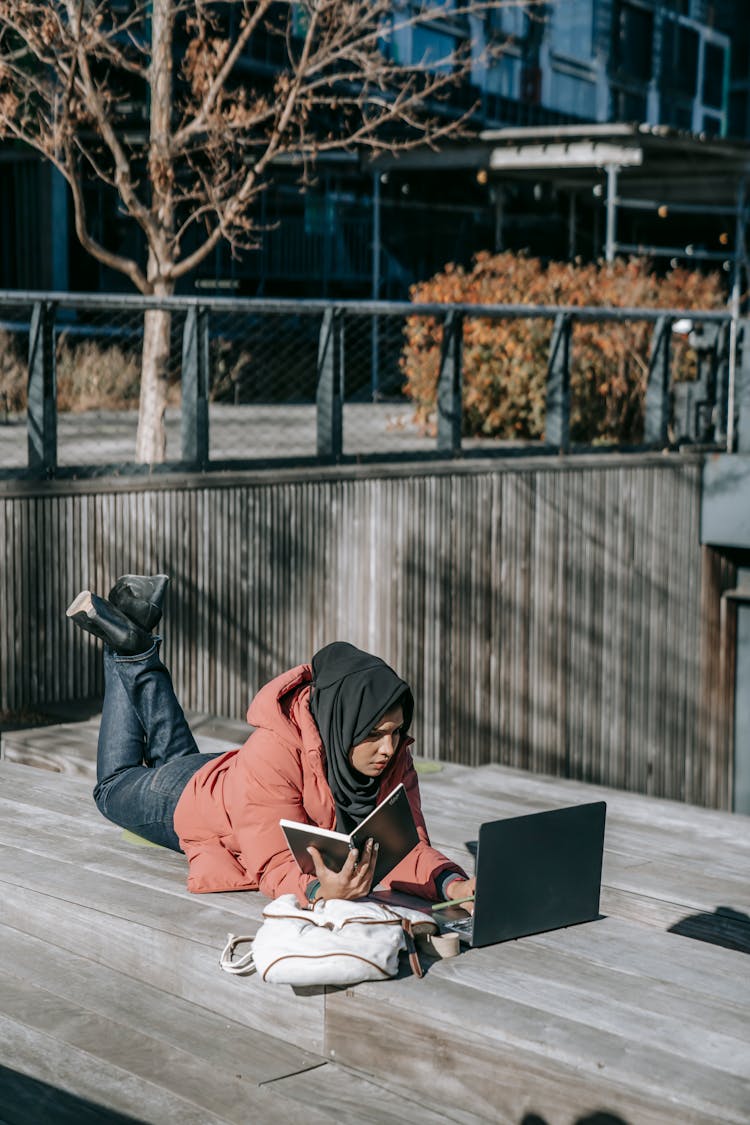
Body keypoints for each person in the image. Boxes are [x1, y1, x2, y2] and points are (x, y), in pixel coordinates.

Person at [67, 574, 475, 910]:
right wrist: (318, 892)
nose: (389, 748)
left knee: (174, 760)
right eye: (372, 734)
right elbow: (274, 861)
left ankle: (134, 638)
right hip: (197, 802)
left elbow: (406, 848)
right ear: (342, 723)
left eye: (395, 731)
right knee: (113, 785)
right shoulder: (276, 749)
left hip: (236, 780)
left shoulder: (393, 756)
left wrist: (453, 884)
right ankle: (127, 649)